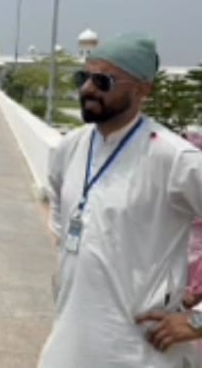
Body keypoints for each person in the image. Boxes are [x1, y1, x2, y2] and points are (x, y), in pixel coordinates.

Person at [39, 33, 202, 367]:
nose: (87, 89)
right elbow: (60, 209)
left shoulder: (172, 157)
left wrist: (198, 319)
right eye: (83, 77)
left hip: (138, 351)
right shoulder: (69, 148)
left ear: (143, 90)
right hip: (69, 344)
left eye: (103, 81)